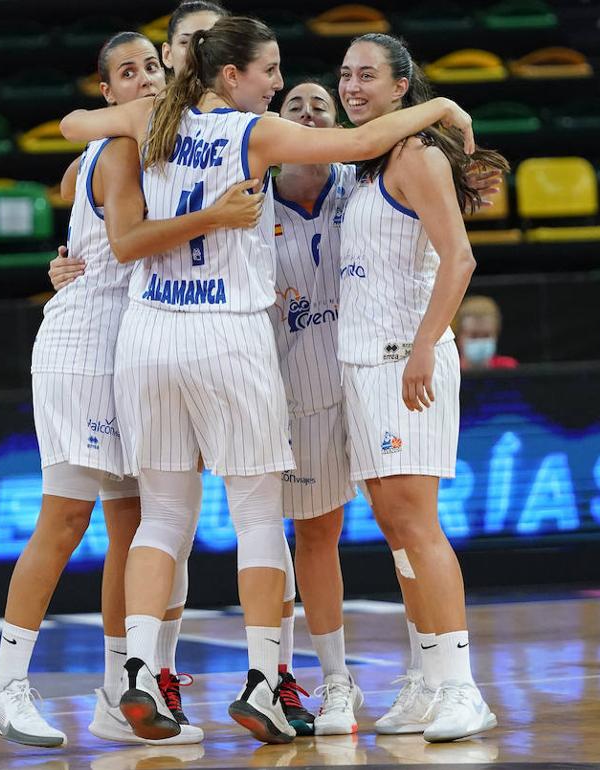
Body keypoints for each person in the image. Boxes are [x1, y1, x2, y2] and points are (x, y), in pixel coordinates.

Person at [60, 15, 476, 744]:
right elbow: (356, 141)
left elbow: (71, 128)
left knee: (161, 518)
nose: (281, 84)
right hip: (228, 332)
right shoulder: (252, 134)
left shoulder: (150, 117)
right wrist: (439, 106)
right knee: (258, 517)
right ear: (233, 76)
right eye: (270, 72)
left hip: (149, 332)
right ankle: (267, 679)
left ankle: (133, 670)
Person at [0, 30, 261, 748]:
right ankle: (4, 687)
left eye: (151, 68)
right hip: (82, 347)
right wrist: (218, 217)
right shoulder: (124, 146)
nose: (142, 80)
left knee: (133, 530)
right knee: (64, 520)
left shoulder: (156, 146)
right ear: (107, 93)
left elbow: (79, 189)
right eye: (125, 73)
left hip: (132, 350)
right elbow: (131, 240)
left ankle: (117, 689)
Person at [336, 33, 507, 742]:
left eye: (367, 75)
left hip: (405, 358)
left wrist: (425, 349)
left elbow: (459, 259)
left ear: (402, 86)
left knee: (417, 522)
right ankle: (426, 676)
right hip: (362, 364)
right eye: (345, 73)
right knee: (394, 527)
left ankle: (462, 687)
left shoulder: (418, 155)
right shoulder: (370, 161)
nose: (351, 86)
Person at [269, 80, 361, 735]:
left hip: (371, 378)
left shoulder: (364, 185)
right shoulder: (247, 201)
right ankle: (330, 681)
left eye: (319, 105)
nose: (306, 112)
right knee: (311, 537)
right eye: (293, 106)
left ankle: (431, 675)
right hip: (294, 389)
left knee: (409, 526)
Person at [454, 295, 516, 370]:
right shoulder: (451, 370)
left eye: (486, 335)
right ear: (459, 337)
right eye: (474, 336)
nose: (480, 341)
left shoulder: (508, 368)